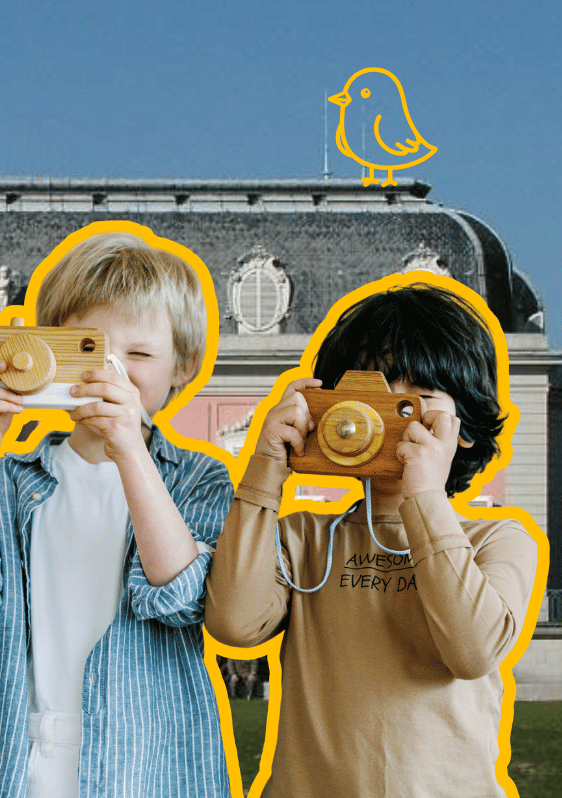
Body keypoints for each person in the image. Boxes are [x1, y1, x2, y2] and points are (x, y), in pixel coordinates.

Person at [0, 228, 233, 798]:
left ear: (182, 368)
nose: (110, 372)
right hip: (25, 756)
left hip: (152, 761)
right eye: (89, 350)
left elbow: (184, 596)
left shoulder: (198, 479)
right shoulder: (13, 479)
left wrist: (131, 449)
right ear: (46, 351)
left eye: (137, 355)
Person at [205, 280, 540, 798]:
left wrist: (423, 495)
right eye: (370, 397)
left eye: (414, 404)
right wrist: (266, 469)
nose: (388, 420)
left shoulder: (499, 538)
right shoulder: (304, 538)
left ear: (464, 427)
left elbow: (472, 652)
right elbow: (235, 624)